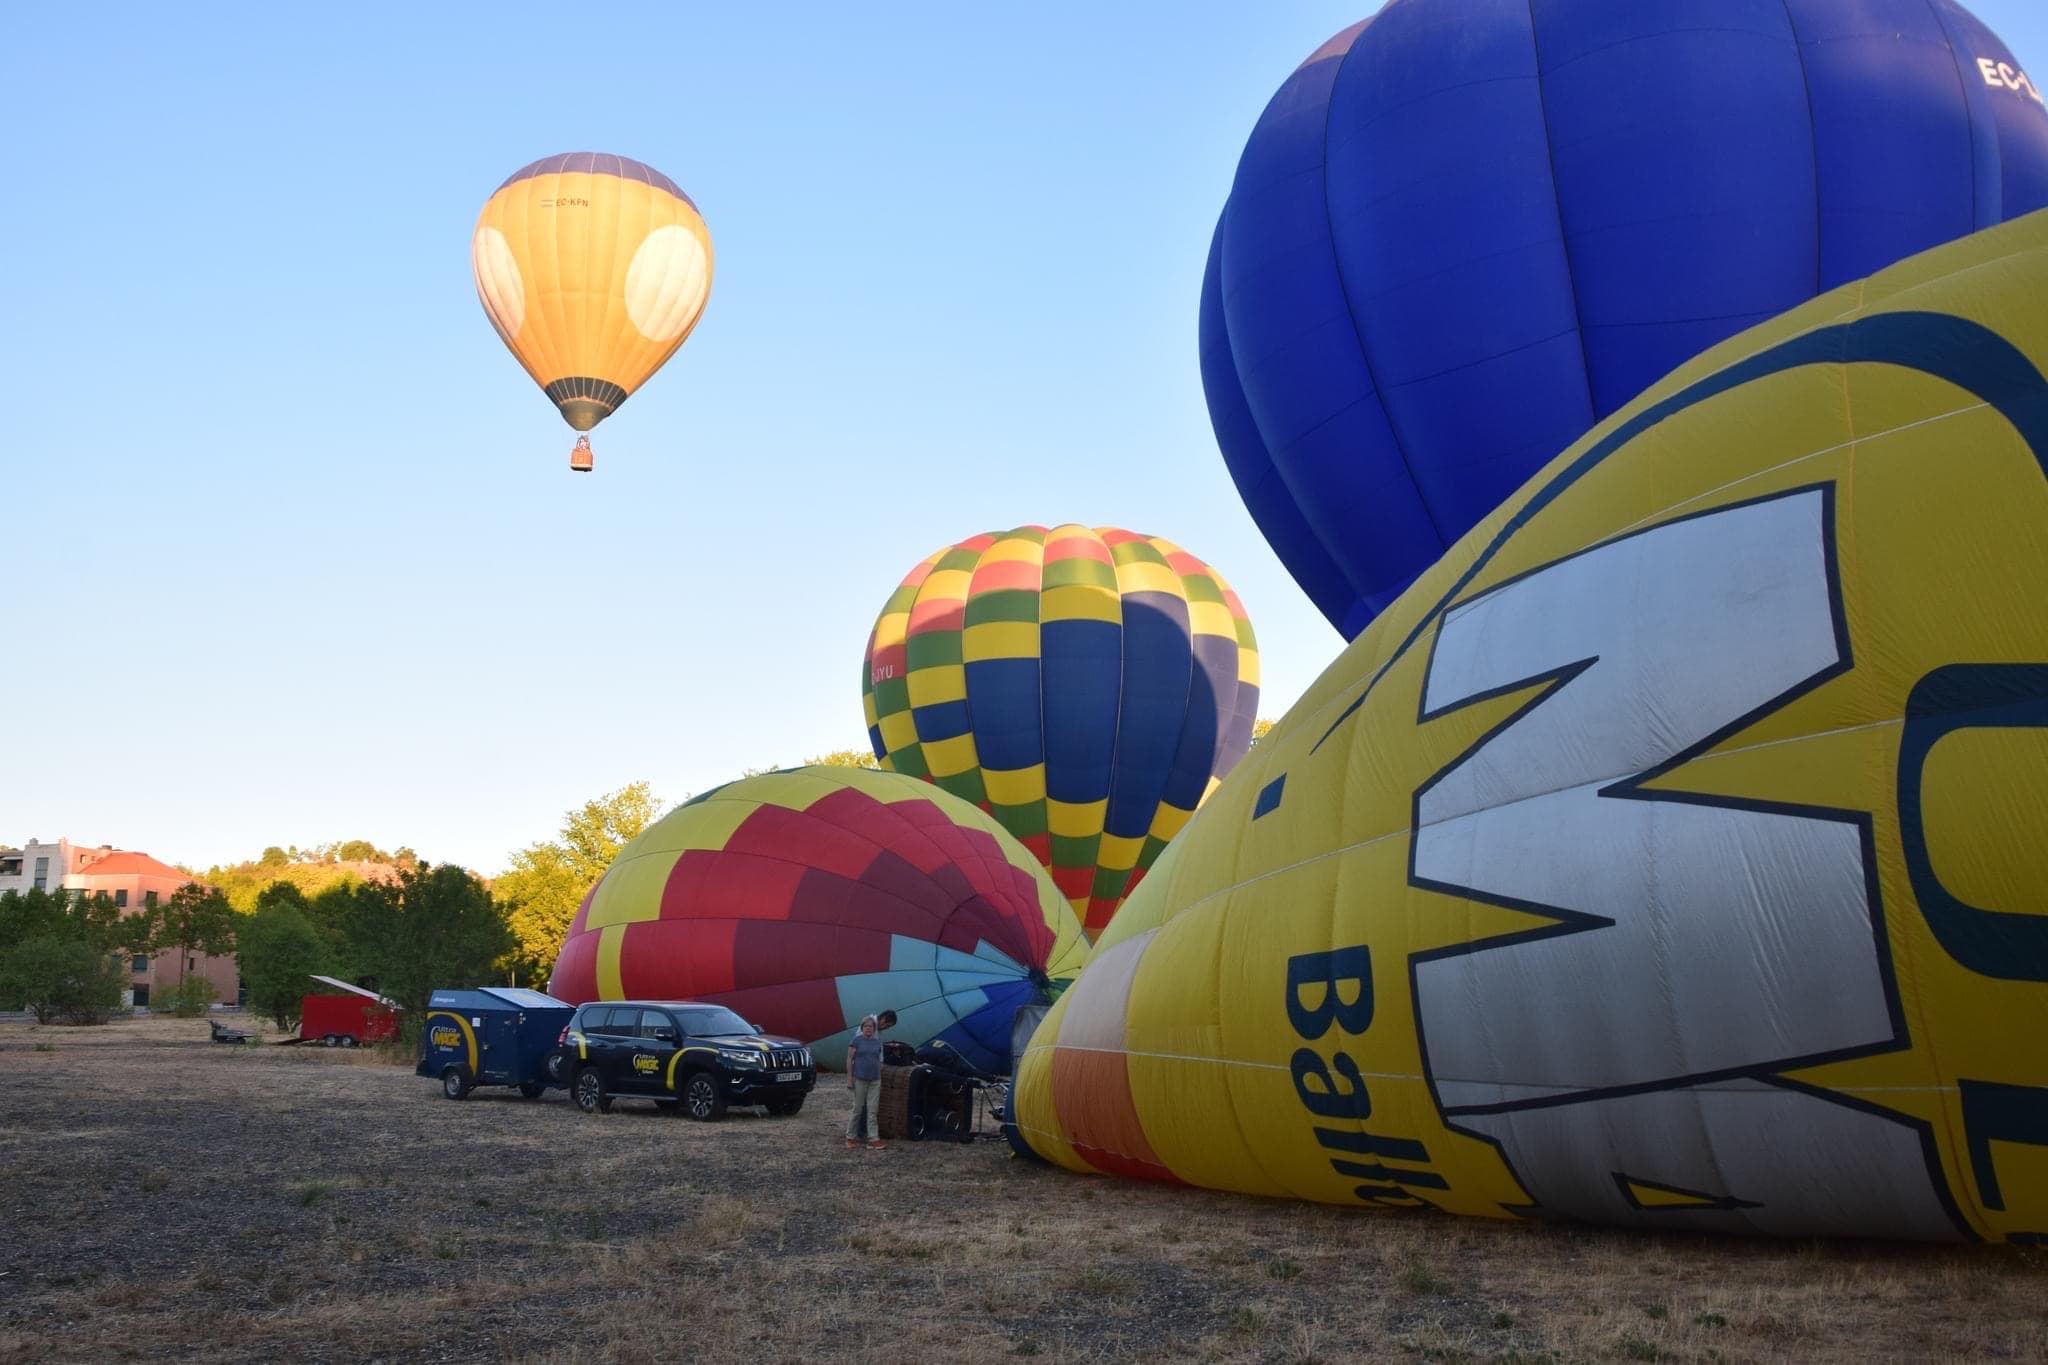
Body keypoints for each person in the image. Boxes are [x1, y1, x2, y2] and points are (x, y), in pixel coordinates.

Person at [845, 1014, 885, 1150]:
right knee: (857, 1109)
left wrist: (879, 1074)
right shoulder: (856, 1041)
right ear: (862, 1028)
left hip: (875, 1080)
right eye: (866, 1026)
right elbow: (849, 1060)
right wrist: (850, 1079)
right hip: (860, 1079)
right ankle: (850, 1137)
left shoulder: (877, 1042)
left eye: (871, 1026)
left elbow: (879, 1059)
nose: (868, 1029)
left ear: (874, 1029)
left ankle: (873, 1139)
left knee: (873, 1110)